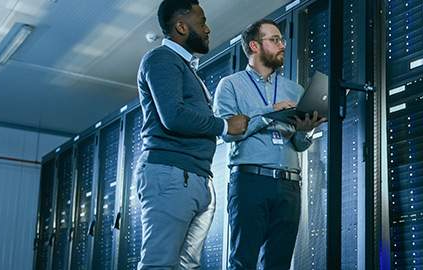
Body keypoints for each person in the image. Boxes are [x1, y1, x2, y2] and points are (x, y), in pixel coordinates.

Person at [135, 0, 248, 269]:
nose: (208, 29)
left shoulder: (187, 68)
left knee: (187, 265)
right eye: (202, 22)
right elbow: (173, 116)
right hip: (172, 173)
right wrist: (223, 125)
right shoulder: (161, 59)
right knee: (159, 263)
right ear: (181, 26)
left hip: (195, 176)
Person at [213, 19, 326, 269]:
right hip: (250, 181)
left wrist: (305, 132)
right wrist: (269, 112)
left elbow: (298, 144)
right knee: (243, 260)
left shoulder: (293, 89)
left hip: (289, 184)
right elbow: (228, 133)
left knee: (279, 263)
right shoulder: (230, 85)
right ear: (254, 45)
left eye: (282, 40)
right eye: (274, 40)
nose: (282, 45)